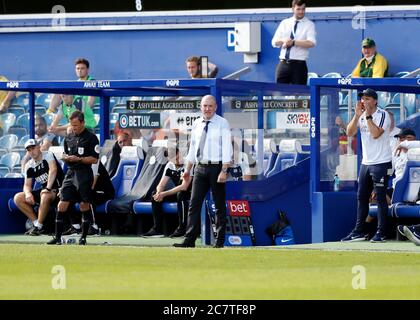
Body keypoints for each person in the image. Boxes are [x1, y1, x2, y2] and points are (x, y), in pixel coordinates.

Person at [173, 95, 232, 248]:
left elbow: (227, 147)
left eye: (210, 106)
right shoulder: (197, 123)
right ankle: (189, 240)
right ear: (200, 107)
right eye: (204, 106)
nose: (207, 109)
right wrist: (187, 170)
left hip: (216, 167)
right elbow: (193, 148)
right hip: (200, 167)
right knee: (194, 203)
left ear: (215, 107)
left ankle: (219, 242)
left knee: (218, 205)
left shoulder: (222, 123)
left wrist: (224, 170)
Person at [341, 88, 393, 243]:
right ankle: (359, 231)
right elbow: (349, 133)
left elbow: (376, 134)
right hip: (366, 162)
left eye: (368, 99)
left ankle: (381, 232)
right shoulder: (361, 115)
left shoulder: (383, 115)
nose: (364, 101)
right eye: (363, 99)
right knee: (361, 197)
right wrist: (357, 115)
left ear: (375, 100)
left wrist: (368, 116)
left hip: (381, 162)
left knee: (380, 198)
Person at [47, 110, 100, 245]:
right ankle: (57, 237)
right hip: (71, 173)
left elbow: (94, 159)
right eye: (72, 125)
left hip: (84, 174)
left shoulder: (91, 138)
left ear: (82, 123)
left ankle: (83, 237)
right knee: (62, 203)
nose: (73, 128)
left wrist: (79, 159)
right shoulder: (69, 137)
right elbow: (64, 153)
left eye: (76, 125)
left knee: (84, 204)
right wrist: (65, 158)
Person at [14, 139, 64, 235]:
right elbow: (27, 185)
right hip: (45, 190)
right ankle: (36, 223)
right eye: (29, 150)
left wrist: (48, 188)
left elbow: (53, 170)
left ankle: (39, 226)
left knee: (45, 195)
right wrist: (28, 194)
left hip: (58, 188)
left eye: (33, 148)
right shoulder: (29, 165)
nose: (31, 151)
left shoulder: (48, 155)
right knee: (18, 197)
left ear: (39, 147)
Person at [142, 145, 192, 238]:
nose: (176, 160)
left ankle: (183, 229)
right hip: (178, 192)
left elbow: (184, 187)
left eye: (177, 157)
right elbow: (161, 184)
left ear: (179, 153)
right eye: (173, 159)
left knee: (181, 195)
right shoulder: (169, 166)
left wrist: (164, 194)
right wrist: (159, 193)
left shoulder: (188, 164)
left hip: (190, 193)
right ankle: (157, 229)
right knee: (154, 195)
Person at [62, 161, 115, 236]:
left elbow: (91, 186)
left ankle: (94, 227)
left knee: (87, 196)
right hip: (88, 190)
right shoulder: (77, 164)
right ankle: (75, 226)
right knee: (67, 195)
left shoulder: (94, 161)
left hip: (103, 192)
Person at [271, 0, 316, 85]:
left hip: (299, 64)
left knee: (299, 93)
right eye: (298, 9)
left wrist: (294, 42)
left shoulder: (309, 24)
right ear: (293, 9)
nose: (301, 12)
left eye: (303, 9)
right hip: (283, 63)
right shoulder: (285, 23)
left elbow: (311, 43)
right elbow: (274, 42)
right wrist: (284, 40)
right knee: (279, 91)